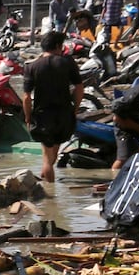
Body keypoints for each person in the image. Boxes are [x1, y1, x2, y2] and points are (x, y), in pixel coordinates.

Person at [21, 30, 83, 183]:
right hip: (64, 115)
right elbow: (79, 88)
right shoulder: (67, 63)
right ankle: (46, 179)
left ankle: (49, 195)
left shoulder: (32, 66)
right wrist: (75, 108)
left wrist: (28, 116)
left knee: (47, 159)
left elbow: (26, 97)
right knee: (53, 154)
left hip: (43, 116)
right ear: (57, 46)